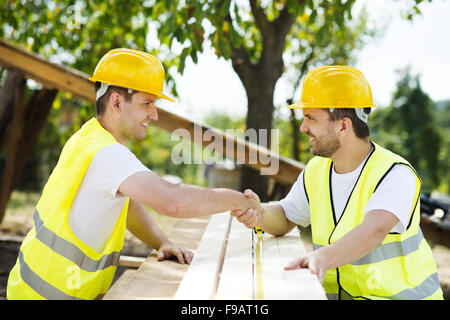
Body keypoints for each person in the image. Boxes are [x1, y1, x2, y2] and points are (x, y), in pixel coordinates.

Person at [7, 48, 263, 300]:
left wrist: (161, 242)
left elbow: (124, 206)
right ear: (117, 101)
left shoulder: (88, 137)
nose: (154, 114)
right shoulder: (108, 154)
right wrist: (238, 200)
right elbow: (172, 201)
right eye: (147, 103)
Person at [233, 66, 443, 300]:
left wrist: (321, 258)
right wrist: (258, 212)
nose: (303, 128)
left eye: (310, 117)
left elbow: (373, 231)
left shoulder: (395, 174)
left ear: (343, 125)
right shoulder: (316, 170)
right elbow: (285, 216)